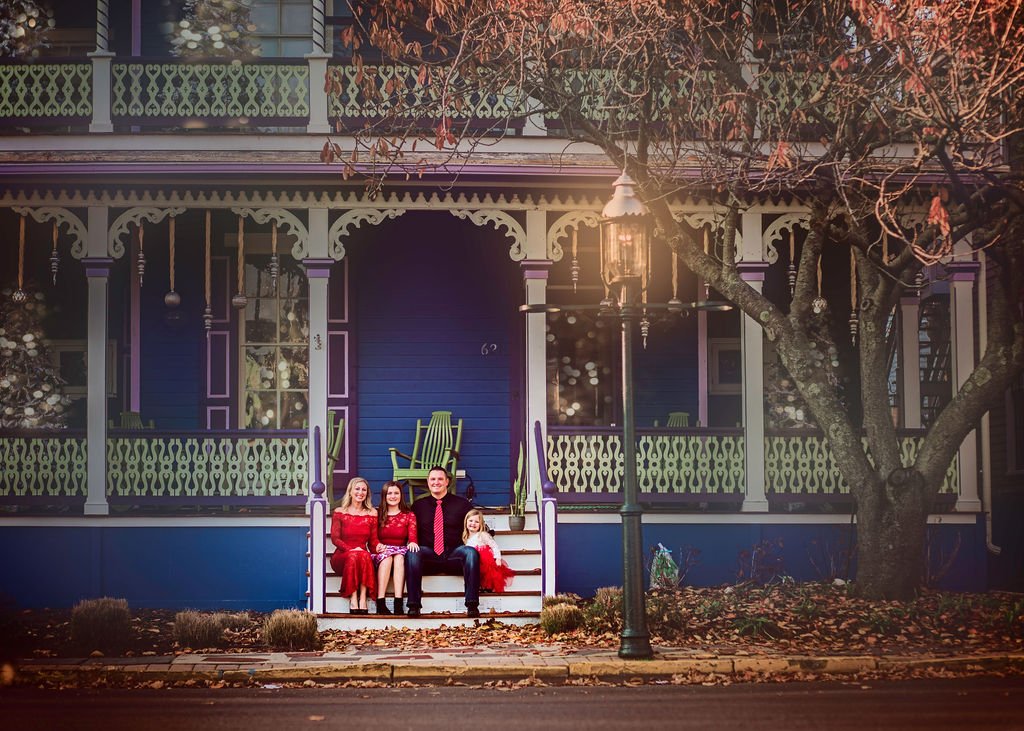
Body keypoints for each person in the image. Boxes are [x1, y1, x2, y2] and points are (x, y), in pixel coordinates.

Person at [405, 466, 480, 618]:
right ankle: (413, 605)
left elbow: (478, 524)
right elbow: (410, 530)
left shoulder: (462, 504)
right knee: (413, 553)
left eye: (440, 479)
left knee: (471, 552)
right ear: (428, 482)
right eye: (433, 479)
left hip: (454, 554)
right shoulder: (418, 506)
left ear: (447, 482)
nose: (436, 482)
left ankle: (472, 604)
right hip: (429, 556)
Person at [329, 477, 378, 615]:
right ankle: (353, 596)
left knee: (363, 554)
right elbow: (335, 538)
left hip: (362, 558)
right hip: (342, 557)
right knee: (356, 554)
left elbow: (373, 542)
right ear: (350, 491)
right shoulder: (340, 512)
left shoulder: (372, 513)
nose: (360, 492)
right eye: (357, 489)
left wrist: (381, 548)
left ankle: (362, 597)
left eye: (364, 490)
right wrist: (351, 549)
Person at [372, 480, 418, 615]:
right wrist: (378, 545)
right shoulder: (377, 513)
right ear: (384, 496)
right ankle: (380, 603)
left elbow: (413, 535)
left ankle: (398, 603)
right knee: (387, 559)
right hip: (383, 550)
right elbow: (372, 537)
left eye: (396, 493)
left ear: (401, 495)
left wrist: (413, 542)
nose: (393, 496)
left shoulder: (409, 515)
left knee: (399, 558)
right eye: (389, 493)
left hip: (400, 550)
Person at [463, 509, 515, 594]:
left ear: (481, 524)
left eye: (476, 522)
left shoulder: (482, 535)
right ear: (466, 522)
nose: (473, 523)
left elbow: (494, 546)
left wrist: (497, 558)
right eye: (471, 521)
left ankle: (487, 587)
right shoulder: (466, 537)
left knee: (488, 574)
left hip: (486, 561)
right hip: (475, 561)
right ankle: (477, 586)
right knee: (475, 573)